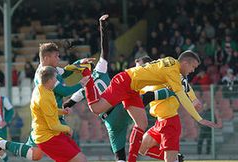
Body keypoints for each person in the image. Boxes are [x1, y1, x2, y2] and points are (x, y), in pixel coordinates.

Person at [67, 49, 218, 162]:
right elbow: (181, 94)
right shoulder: (172, 71)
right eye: (193, 67)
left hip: (133, 89)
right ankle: (87, 78)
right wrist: (198, 118)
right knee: (96, 109)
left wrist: (193, 98)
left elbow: (183, 84)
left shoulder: (172, 63)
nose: (193, 70)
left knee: (142, 123)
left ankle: (131, 160)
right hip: (124, 81)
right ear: (185, 63)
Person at [63, 15, 176, 162]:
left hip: (109, 120)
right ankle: (170, 91)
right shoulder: (100, 69)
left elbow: (73, 100)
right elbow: (105, 49)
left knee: (119, 155)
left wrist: (63, 109)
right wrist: (103, 26)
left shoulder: (84, 84)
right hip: (119, 108)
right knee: (141, 103)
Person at [0, 42, 91, 161]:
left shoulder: (51, 71)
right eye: (56, 56)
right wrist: (82, 84)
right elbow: (63, 91)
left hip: (48, 118)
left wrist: (79, 63)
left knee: (35, 155)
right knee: (76, 158)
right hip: (52, 123)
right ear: (46, 58)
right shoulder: (44, 77)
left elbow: (66, 72)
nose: (59, 58)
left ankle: (1, 143)